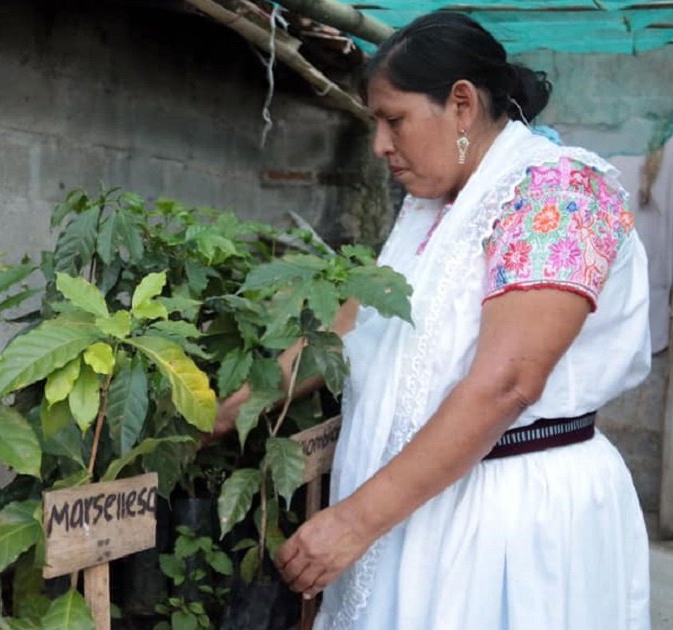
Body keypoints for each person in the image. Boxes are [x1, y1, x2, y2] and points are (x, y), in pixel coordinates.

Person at [214, 11, 652, 629]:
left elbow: (508, 384)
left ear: (462, 104)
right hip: (418, 505)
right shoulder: (432, 210)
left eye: (393, 120)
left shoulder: (559, 196)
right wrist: (230, 409)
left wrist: (352, 522)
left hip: (511, 518)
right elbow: (351, 330)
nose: (380, 145)